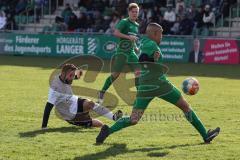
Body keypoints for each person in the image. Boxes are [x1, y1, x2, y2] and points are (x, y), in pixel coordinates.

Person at [96, 23, 220, 144]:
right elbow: (142, 59)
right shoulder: (151, 44)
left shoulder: (145, 41)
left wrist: (152, 60)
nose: (162, 37)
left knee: (134, 119)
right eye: (161, 34)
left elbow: (142, 59)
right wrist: (152, 60)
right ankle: (205, 135)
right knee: (185, 106)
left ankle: (108, 130)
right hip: (160, 85)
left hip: (145, 87)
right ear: (154, 34)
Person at [41, 64, 123, 129]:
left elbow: (72, 76)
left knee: (91, 103)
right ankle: (104, 129)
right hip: (71, 115)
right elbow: (48, 107)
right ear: (63, 73)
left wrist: (78, 75)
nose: (72, 78)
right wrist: (44, 127)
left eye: (73, 75)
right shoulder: (55, 89)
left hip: (75, 101)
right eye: (71, 76)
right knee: (97, 124)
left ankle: (114, 117)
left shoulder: (65, 76)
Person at [98, 3, 140, 104]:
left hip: (131, 53)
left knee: (139, 73)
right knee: (115, 75)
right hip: (122, 53)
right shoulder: (124, 22)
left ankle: (139, 98)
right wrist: (130, 37)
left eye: (136, 12)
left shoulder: (136, 25)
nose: (135, 13)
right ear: (129, 12)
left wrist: (136, 47)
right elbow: (116, 33)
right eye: (133, 11)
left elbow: (133, 38)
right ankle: (102, 92)